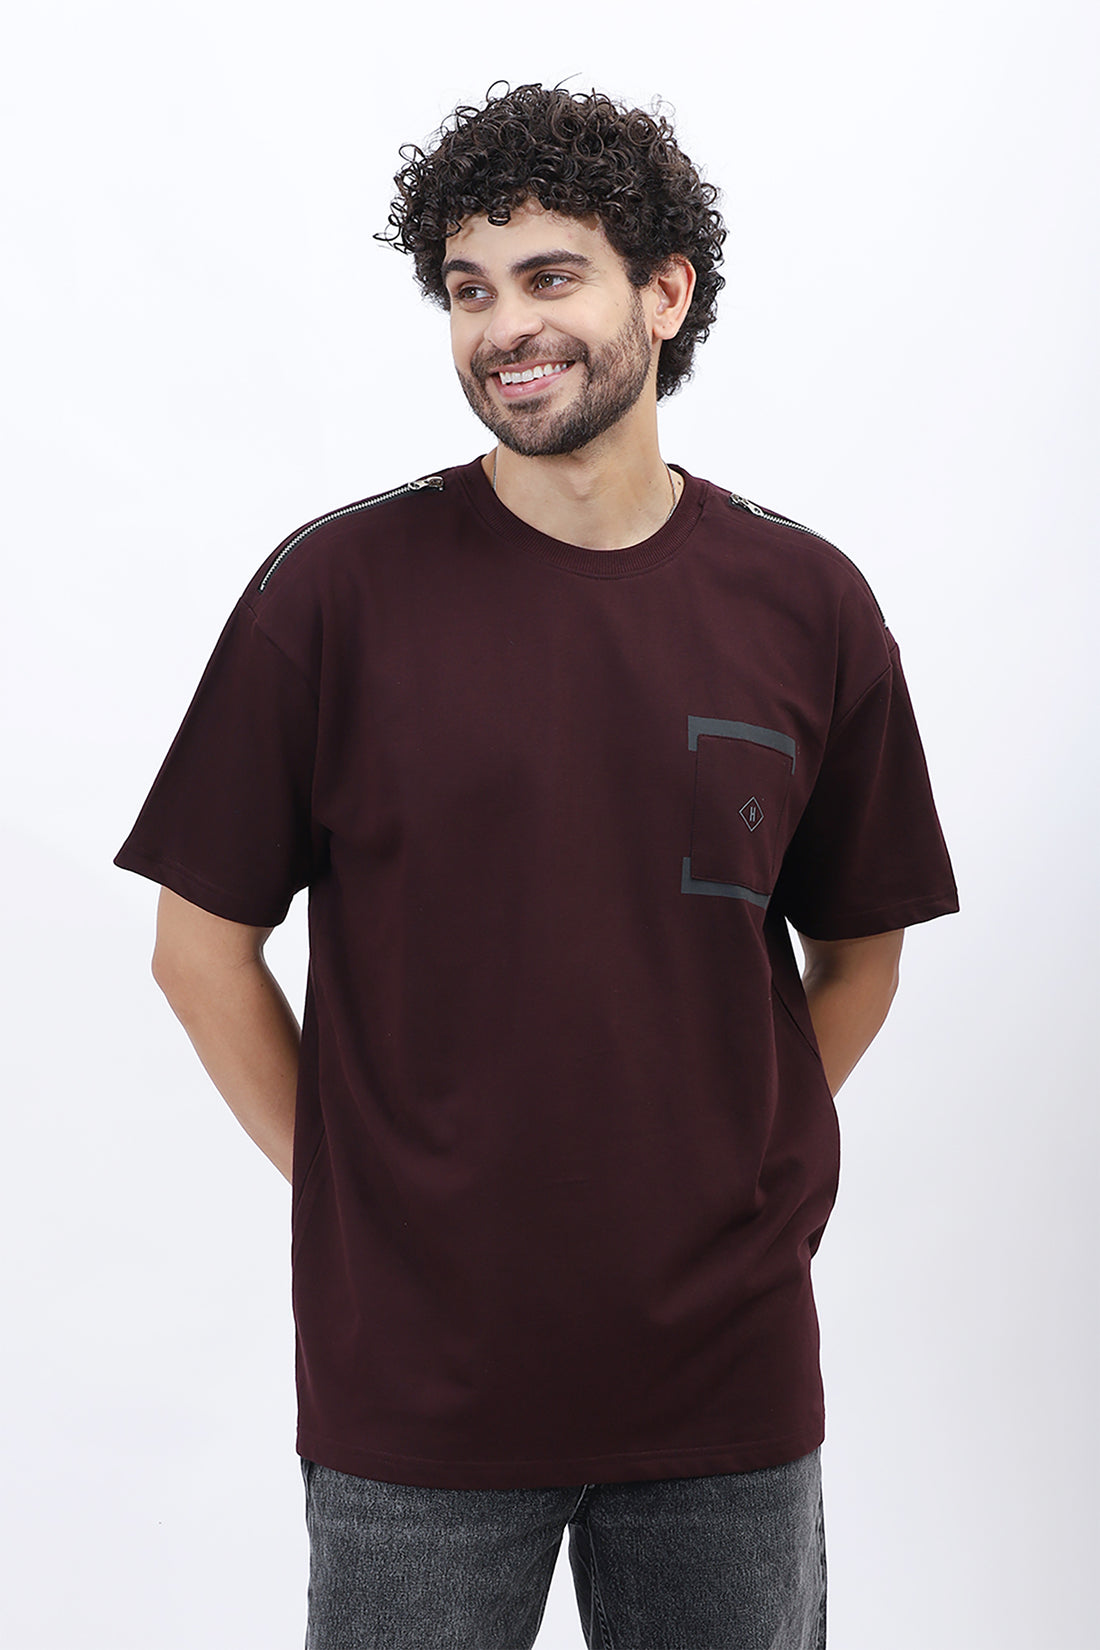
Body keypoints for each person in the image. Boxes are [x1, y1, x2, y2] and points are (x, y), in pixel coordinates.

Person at [114, 82, 958, 1650]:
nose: (505, 326)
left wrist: (734, 1164)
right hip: (418, 1391)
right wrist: (370, 1195)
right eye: (469, 288)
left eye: (550, 276)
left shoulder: (807, 603)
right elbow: (197, 946)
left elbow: (863, 946)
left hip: (725, 1378)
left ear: (665, 291)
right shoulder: (335, 594)